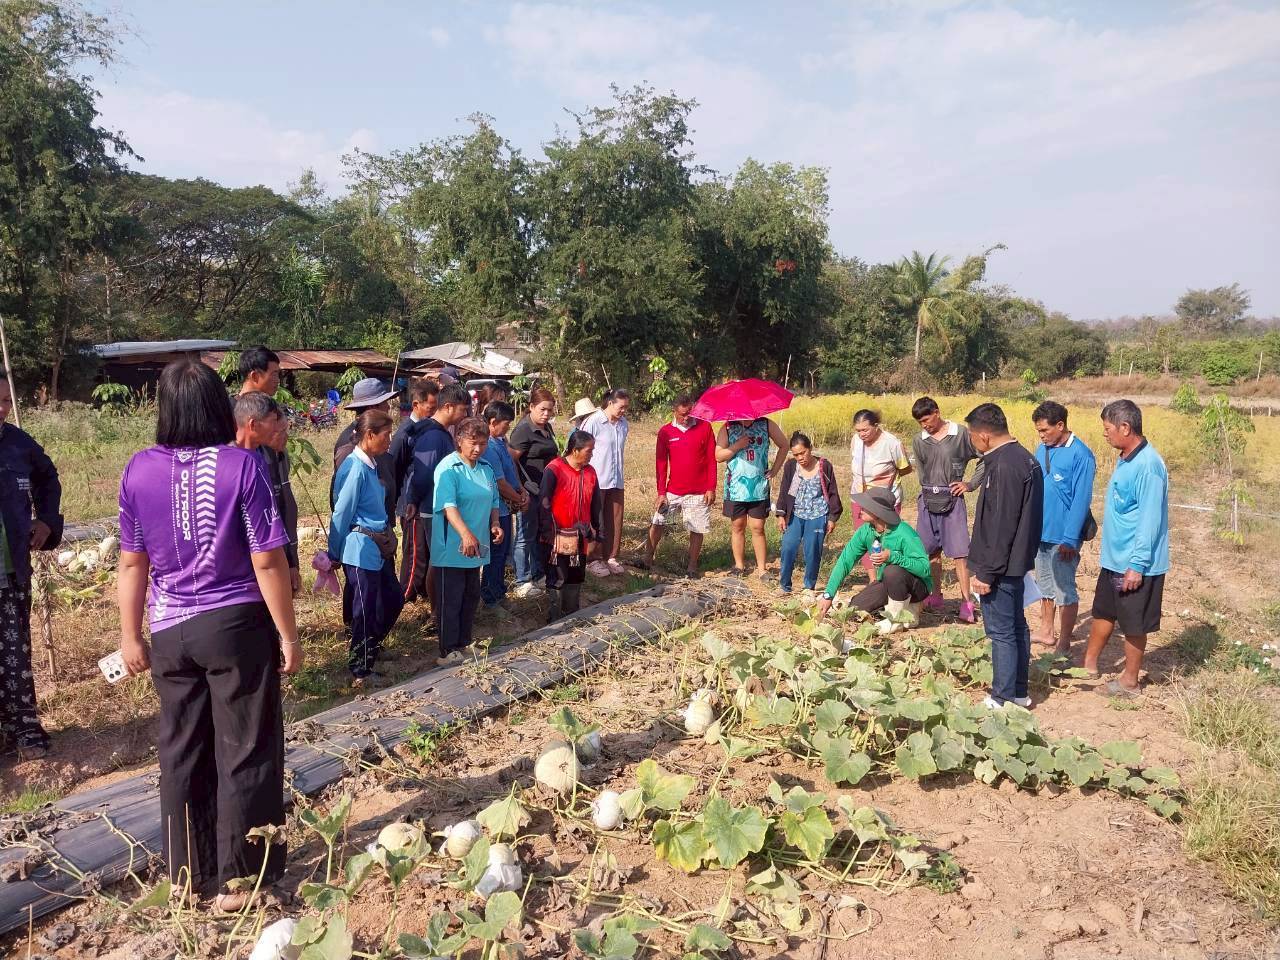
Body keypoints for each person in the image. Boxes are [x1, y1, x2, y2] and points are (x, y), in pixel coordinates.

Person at [117, 358, 300, 911]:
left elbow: (132, 563)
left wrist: (131, 636)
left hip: (170, 630)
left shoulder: (138, 470)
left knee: (181, 749)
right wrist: (289, 635)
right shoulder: (242, 467)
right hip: (235, 625)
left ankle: (187, 875)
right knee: (245, 745)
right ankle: (239, 880)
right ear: (218, 407)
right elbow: (267, 560)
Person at [1082, 400, 1169, 697]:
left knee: (1133, 623)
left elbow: (1150, 520)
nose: (1104, 434)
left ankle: (1130, 681)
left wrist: (1137, 565)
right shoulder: (1126, 457)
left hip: (1136, 564)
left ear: (1125, 427)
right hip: (1115, 560)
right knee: (1104, 611)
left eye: (1107, 429)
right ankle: (1088, 665)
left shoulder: (1149, 466)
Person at [964, 403, 1043, 710]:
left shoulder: (1005, 466)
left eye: (972, 434)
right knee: (1016, 626)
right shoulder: (1024, 458)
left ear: (984, 435)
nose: (972, 441)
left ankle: (1002, 697)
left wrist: (986, 572)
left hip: (1001, 564)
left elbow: (1001, 525)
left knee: (1001, 633)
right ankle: (1019, 692)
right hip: (1016, 560)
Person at [0, 376, 63, 760]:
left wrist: (47, 521)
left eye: (7, 400)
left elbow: (48, 479)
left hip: (10, 569)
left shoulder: (19, 444)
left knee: (15, 651)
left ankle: (24, 730)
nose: (2, 408)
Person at [329, 410, 404, 683]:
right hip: (359, 549)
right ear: (369, 435)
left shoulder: (372, 463)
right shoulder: (354, 467)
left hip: (377, 547)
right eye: (386, 435)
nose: (389, 440)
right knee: (364, 609)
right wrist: (334, 553)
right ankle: (360, 669)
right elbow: (341, 513)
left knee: (394, 599)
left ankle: (371, 647)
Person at [431, 418, 502, 665]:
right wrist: (465, 533)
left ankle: (463, 643)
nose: (478, 449)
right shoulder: (448, 468)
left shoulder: (485, 469)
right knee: (450, 599)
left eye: (483, 444)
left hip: (477, 547)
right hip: (452, 546)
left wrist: (495, 524)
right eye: (473, 443)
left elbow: (494, 501)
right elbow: (448, 506)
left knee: (470, 597)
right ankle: (447, 650)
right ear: (459, 440)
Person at [910, 396, 985, 623]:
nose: (925, 425)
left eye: (927, 419)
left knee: (960, 555)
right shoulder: (919, 440)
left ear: (937, 412)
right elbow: (922, 472)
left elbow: (984, 458)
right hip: (927, 500)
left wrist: (970, 484)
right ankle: (935, 595)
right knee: (930, 552)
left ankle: (966, 602)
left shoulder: (960, 434)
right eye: (920, 422)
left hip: (953, 499)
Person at [1031, 401, 1097, 654]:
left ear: (1060, 425)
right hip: (1042, 532)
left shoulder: (1082, 455)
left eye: (1045, 430)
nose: (1041, 436)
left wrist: (1070, 538)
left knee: (1064, 588)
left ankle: (1065, 642)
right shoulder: (1042, 449)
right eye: (1039, 431)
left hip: (1064, 538)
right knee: (1044, 584)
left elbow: (1081, 499)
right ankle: (1047, 631)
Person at [815, 487, 932, 626]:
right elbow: (845, 561)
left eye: (866, 506)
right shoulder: (866, 531)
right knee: (856, 610)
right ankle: (902, 610)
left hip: (917, 587)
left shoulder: (904, 532)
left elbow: (924, 569)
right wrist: (828, 595)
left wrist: (894, 557)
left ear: (878, 511)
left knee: (892, 571)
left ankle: (898, 620)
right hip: (887, 583)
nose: (860, 509)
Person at [405, 384, 471, 609]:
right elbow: (423, 475)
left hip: (441, 507)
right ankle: (437, 611)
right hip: (433, 509)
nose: (465, 415)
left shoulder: (441, 433)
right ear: (449, 407)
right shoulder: (433, 436)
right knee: (438, 561)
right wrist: (413, 500)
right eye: (463, 410)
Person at [233, 392, 300, 594]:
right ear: (253, 425)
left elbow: (282, 509)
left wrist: (290, 561)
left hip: (269, 555)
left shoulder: (267, 458)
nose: (281, 435)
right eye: (275, 426)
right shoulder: (226, 461)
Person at [643, 396, 717, 577]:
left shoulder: (705, 427)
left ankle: (692, 566)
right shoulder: (665, 432)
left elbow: (711, 460)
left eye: (690, 413)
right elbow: (661, 464)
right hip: (673, 490)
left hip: (699, 491)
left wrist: (711, 487)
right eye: (683, 414)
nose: (687, 417)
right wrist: (661, 492)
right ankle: (647, 559)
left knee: (696, 528)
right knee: (658, 521)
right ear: (674, 412)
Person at [538, 431, 604, 623]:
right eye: (589, 450)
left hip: (580, 536)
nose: (592, 454)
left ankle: (572, 617)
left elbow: (596, 504)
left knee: (575, 576)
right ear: (575, 450)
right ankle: (554, 620)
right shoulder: (555, 469)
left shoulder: (590, 472)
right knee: (557, 577)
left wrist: (598, 530)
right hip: (557, 537)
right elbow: (544, 503)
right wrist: (549, 533)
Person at [716, 415, 787, 579]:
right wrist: (737, 446)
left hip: (758, 488)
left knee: (758, 527)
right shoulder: (727, 427)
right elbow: (718, 456)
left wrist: (775, 469)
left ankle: (762, 569)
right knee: (738, 526)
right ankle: (739, 566)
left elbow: (784, 445)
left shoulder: (766, 424)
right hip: (735, 488)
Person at [389, 379, 440, 604]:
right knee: (414, 555)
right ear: (417, 404)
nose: (434, 410)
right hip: (411, 504)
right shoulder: (405, 434)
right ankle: (405, 599)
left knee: (425, 553)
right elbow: (395, 470)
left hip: (426, 502)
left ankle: (423, 594)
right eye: (431, 407)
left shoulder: (429, 429)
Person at [775, 432, 842, 595]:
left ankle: (808, 586)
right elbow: (785, 491)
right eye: (796, 454)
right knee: (788, 547)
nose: (800, 458)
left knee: (812, 550)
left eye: (803, 453)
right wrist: (781, 514)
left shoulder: (824, 466)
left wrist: (833, 517)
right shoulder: (791, 466)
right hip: (795, 514)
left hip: (818, 514)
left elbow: (832, 492)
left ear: (810, 449)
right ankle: (784, 585)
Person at [849, 409, 912, 582]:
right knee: (865, 538)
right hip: (860, 498)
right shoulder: (856, 441)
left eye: (865, 430)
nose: (861, 434)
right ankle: (873, 580)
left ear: (876, 426)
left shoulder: (891, 443)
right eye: (858, 430)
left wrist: (884, 481)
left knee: (886, 538)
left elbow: (905, 468)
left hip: (884, 500)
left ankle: (888, 578)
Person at [509, 388, 558, 598]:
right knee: (524, 536)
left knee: (539, 534)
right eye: (542, 409)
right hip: (529, 492)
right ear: (531, 407)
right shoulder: (523, 430)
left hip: (545, 491)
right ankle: (522, 581)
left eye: (550, 410)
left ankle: (538, 574)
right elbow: (511, 461)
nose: (546, 414)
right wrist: (520, 490)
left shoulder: (547, 428)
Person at [479, 401, 527, 616]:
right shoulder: (488, 446)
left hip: (507, 507)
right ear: (492, 422)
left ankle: (499, 593)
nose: (508, 427)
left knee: (501, 552)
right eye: (506, 423)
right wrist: (517, 497)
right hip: (496, 509)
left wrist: (521, 490)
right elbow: (499, 482)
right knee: (495, 555)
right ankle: (490, 598)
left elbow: (511, 468)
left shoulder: (500, 441)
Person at [579, 389, 630, 577]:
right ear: (610, 403)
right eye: (621, 407)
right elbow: (580, 447)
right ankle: (593, 558)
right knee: (596, 519)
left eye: (626, 407)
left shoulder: (624, 424)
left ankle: (611, 556)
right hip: (596, 478)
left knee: (614, 518)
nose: (623, 411)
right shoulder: (593, 422)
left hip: (616, 477)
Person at [332, 378, 399, 519]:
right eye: (384, 403)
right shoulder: (349, 445)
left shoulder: (378, 434)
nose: (388, 407)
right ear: (371, 409)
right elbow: (343, 503)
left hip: (381, 525)